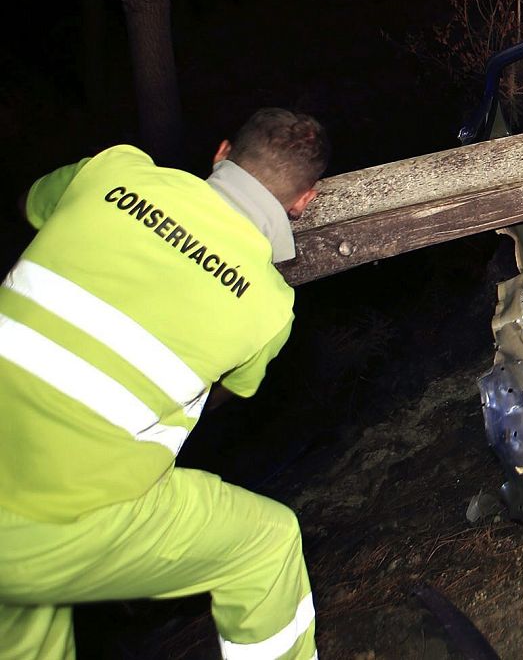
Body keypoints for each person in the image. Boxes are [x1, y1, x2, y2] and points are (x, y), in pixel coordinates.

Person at [0, 109, 330, 660]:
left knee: (30, 613)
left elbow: (30, 205)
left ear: (222, 152)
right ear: (303, 202)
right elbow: (221, 396)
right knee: (266, 545)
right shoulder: (271, 307)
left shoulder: (113, 171)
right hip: (52, 519)